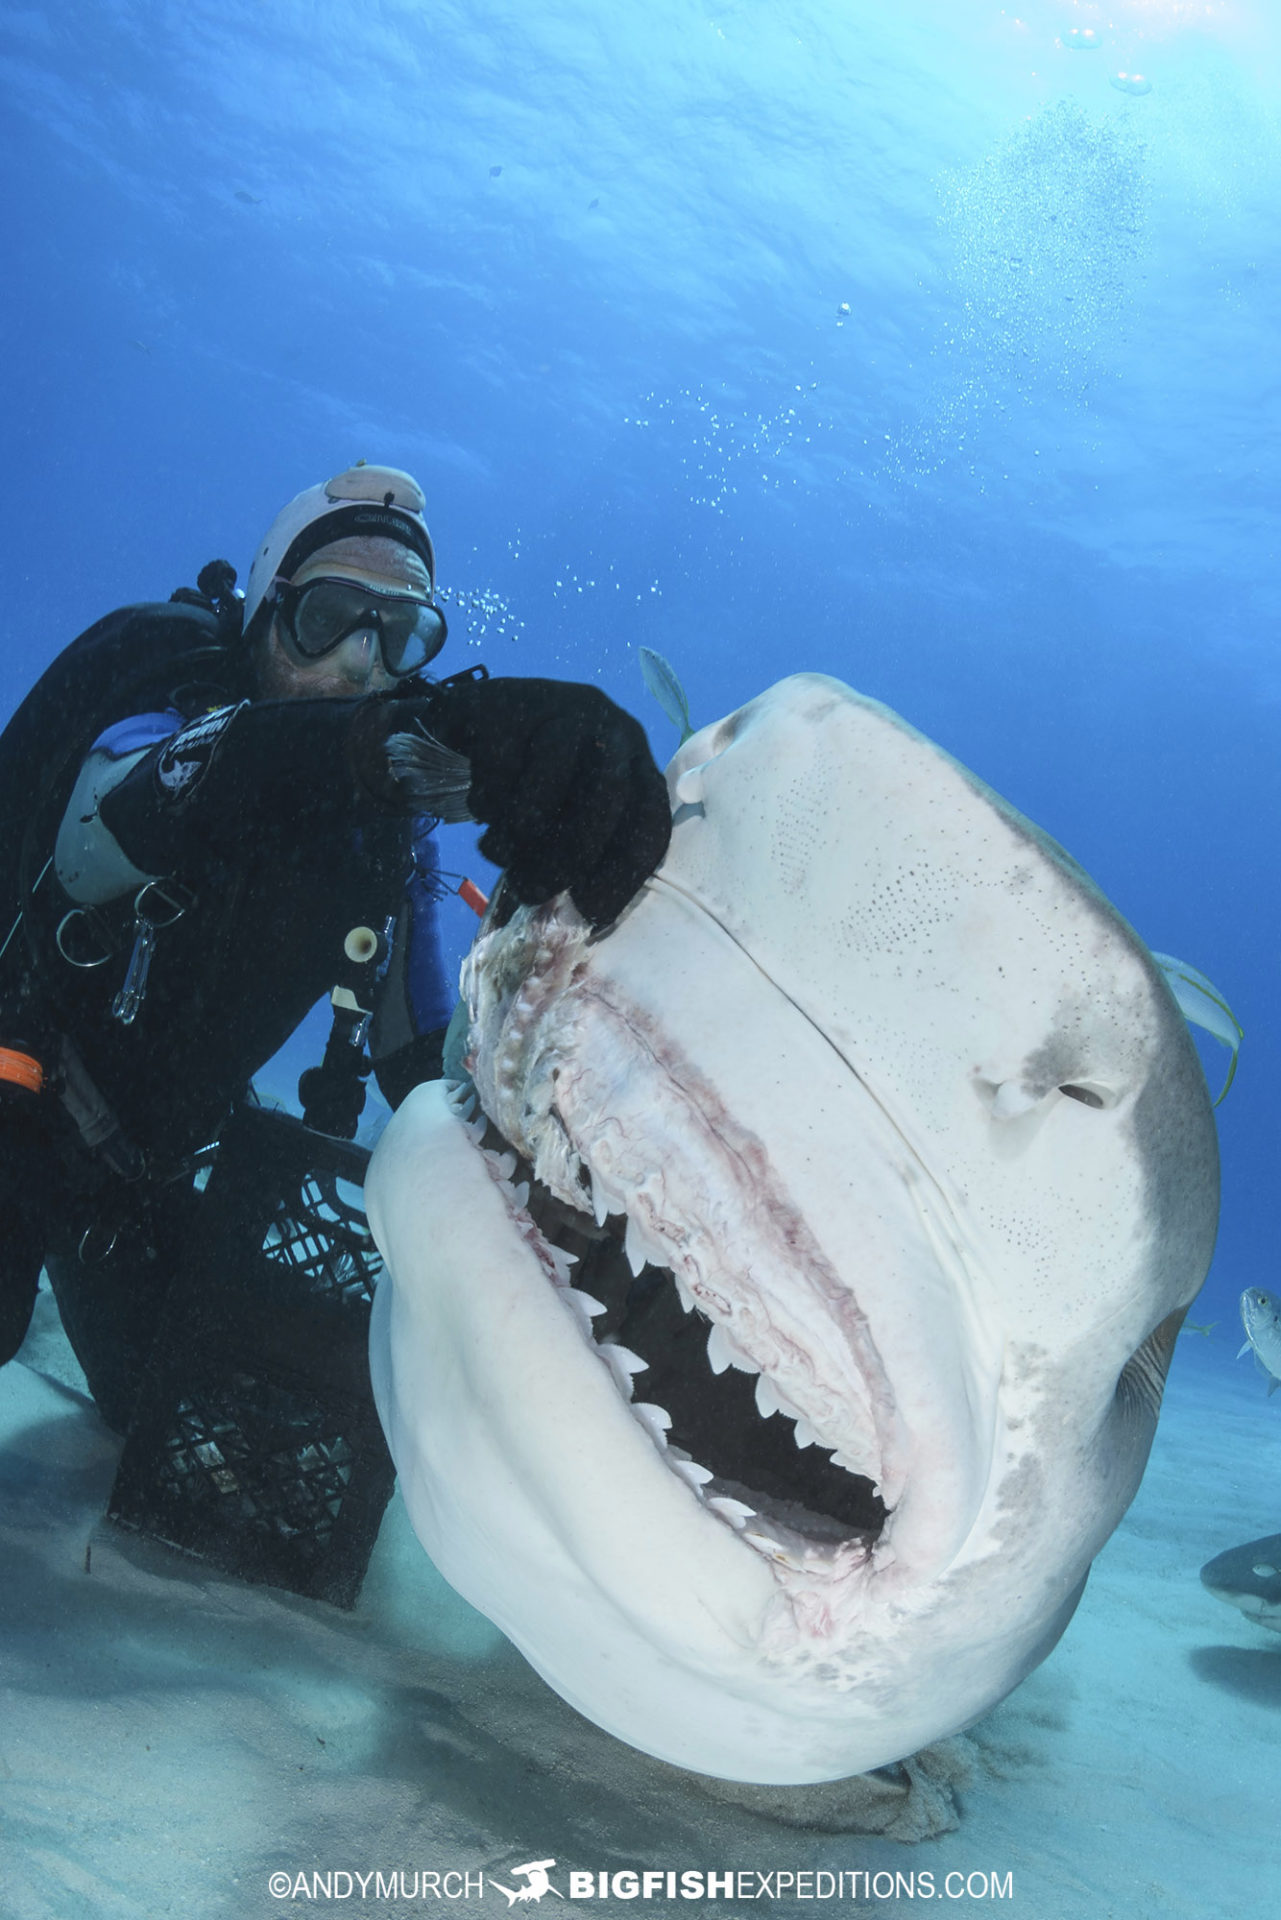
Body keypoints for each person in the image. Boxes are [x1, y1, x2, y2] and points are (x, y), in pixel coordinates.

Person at [0, 463, 671, 1435]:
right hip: (14, 1089)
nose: (361, 661)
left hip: (132, 1186)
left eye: (399, 635)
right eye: (329, 616)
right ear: (267, 608)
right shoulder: (166, 686)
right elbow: (104, 828)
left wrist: (554, 984)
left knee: (242, 1401)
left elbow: (423, 1066)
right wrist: (393, 739)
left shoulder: (377, 845)